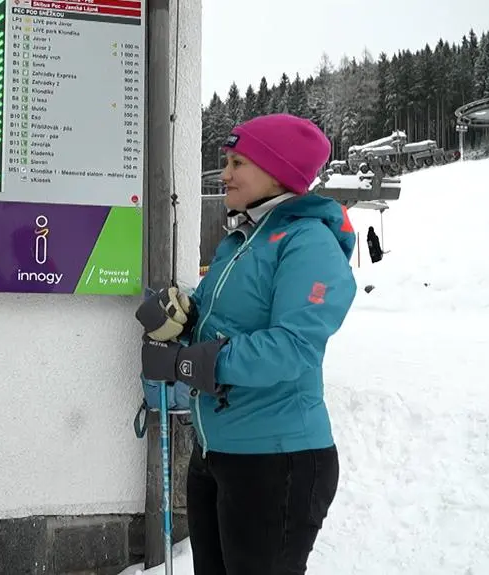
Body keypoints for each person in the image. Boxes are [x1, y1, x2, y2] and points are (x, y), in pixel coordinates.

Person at [135, 113, 357, 574]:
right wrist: (185, 316)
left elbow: (293, 346)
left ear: (277, 172)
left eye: (239, 162)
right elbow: (225, 321)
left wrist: (194, 364)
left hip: (278, 462)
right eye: (227, 161)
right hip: (218, 453)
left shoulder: (307, 242)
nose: (226, 173)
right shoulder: (243, 238)